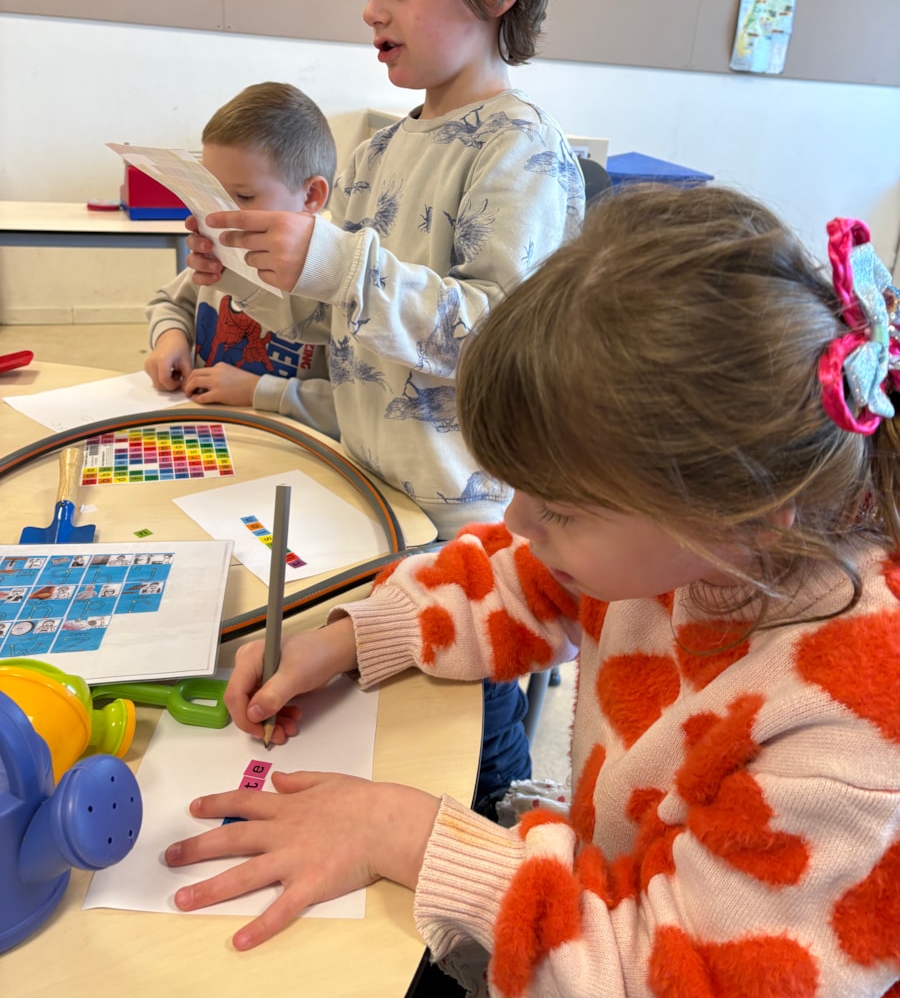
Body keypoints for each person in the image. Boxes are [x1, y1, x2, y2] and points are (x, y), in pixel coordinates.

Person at [165, 184, 900, 998]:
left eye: (563, 509)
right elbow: (518, 576)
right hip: (605, 879)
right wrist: (350, 638)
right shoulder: (694, 542)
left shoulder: (853, 732)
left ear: (744, 516)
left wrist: (408, 835)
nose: (517, 519)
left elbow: (664, 977)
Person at [181, 0, 586, 816]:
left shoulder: (522, 153)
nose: (371, 9)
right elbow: (335, 327)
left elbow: (497, 345)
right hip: (368, 505)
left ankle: (495, 839)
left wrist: (336, 262)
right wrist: (252, 280)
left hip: (463, 547)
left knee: (463, 757)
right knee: (372, 739)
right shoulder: (373, 150)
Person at [143, 81, 338, 438]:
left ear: (311, 195)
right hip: (204, 434)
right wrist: (171, 338)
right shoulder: (220, 251)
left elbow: (357, 409)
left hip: (288, 449)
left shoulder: (334, 281)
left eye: (243, 196)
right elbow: (169, 302)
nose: (217, 214)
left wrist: (258, 390)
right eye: (208, 191)